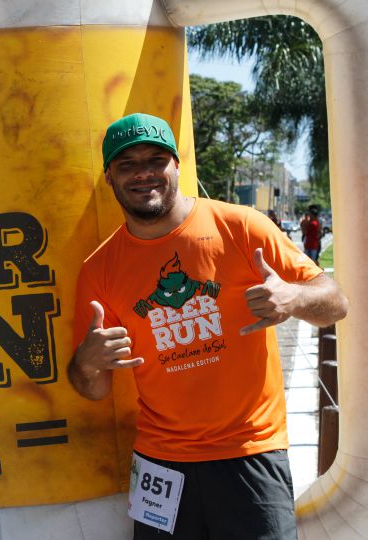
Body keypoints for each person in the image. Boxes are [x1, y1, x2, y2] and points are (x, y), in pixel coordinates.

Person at [68, 113, 348, 539]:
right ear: (109, 176)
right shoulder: (99, 269)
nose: (143, 173)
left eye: (156, 159)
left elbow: (336, 303)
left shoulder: (240, 226)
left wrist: (294, 298)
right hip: (160, 464)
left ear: (176, 165)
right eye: (127, 164)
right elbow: (93, 388)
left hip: (250, 450)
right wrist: (87, 363)